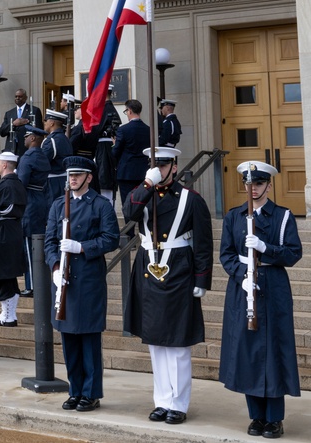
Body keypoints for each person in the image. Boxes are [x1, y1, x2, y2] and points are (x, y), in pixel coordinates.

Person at [123, 147, 213, 425]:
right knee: (156, 344)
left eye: (162, 166)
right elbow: (129, 214)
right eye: (154, 165)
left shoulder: (191, 199)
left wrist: (201, 279)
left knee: (177, 344)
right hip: (149, 268)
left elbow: (204, 244)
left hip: (178, 270)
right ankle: (162, 401)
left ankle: (179, 403)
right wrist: (147, 184)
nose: (158, 169)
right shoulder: (143, 194)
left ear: (174, 166)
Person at [219, 161, 302, 439]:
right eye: (249, 184)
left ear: (269, 185)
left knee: (274, 353)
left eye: (258, 184)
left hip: (273, 286)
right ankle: (256, 416)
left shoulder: (283, 216)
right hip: (243, 288)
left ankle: (274, 418)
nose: (253, 189)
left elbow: (293, 253)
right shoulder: (234, 216)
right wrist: (242, 274)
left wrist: (266, 249)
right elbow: (226, 254)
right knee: (249, 352)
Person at [45, 156, 120, 413]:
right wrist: (55, 266)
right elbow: (49, 242)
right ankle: (75, 390)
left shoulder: (100, 205)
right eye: (70, 175)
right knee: (69, 341)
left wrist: (82, 247)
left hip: (87, 279)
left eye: (78, 175)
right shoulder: (58, 205)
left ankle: (91, 393)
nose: (72, 179)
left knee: (88, 339)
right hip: (64, 280)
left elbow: (112, 238)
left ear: (89, 177)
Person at [0, 152, 27, 327]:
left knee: (2, 273)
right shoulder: (18, 184)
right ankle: (8, 314)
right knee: (8, 274)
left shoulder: (3, 186)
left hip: (3, 231)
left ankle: (8, 315)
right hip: (13, 230)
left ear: (5, 165)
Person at [17, 128, 50, 297]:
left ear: (33, 138)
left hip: (29, 202)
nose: (24, 140)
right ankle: (40, 281)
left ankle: (31, 285)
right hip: (41, 200)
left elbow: (22, 182)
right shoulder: (43, 155)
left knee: (29, 245)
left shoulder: (28, 157)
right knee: (38, 242)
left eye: (26, 137)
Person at [112, 99, 149, 205]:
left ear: (130, 111)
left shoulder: (123, 130)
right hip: (143, 172)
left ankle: (129, 222)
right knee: (142, 203)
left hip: (126, 173)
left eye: (126, 111)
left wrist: (114, 144)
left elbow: (115, 152)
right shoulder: (148, 129)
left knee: (128, 203)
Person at [0, 88, 43, 156]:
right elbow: (2, 132)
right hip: (11, 149)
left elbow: (39, 131)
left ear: (26, 98)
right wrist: (13, 124)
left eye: (20, 96)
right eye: (16, 96)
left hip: (26, 148)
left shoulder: (34, 111)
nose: (17, 98)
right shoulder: (9, 113)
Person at [42, 109, 72, 202]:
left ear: (51, 123)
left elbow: (42, 161)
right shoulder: (65, 138)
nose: (45, 124)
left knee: (52, 211)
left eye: (46, 121)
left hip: (52, 183)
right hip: (64, 180)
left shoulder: (52, 140)